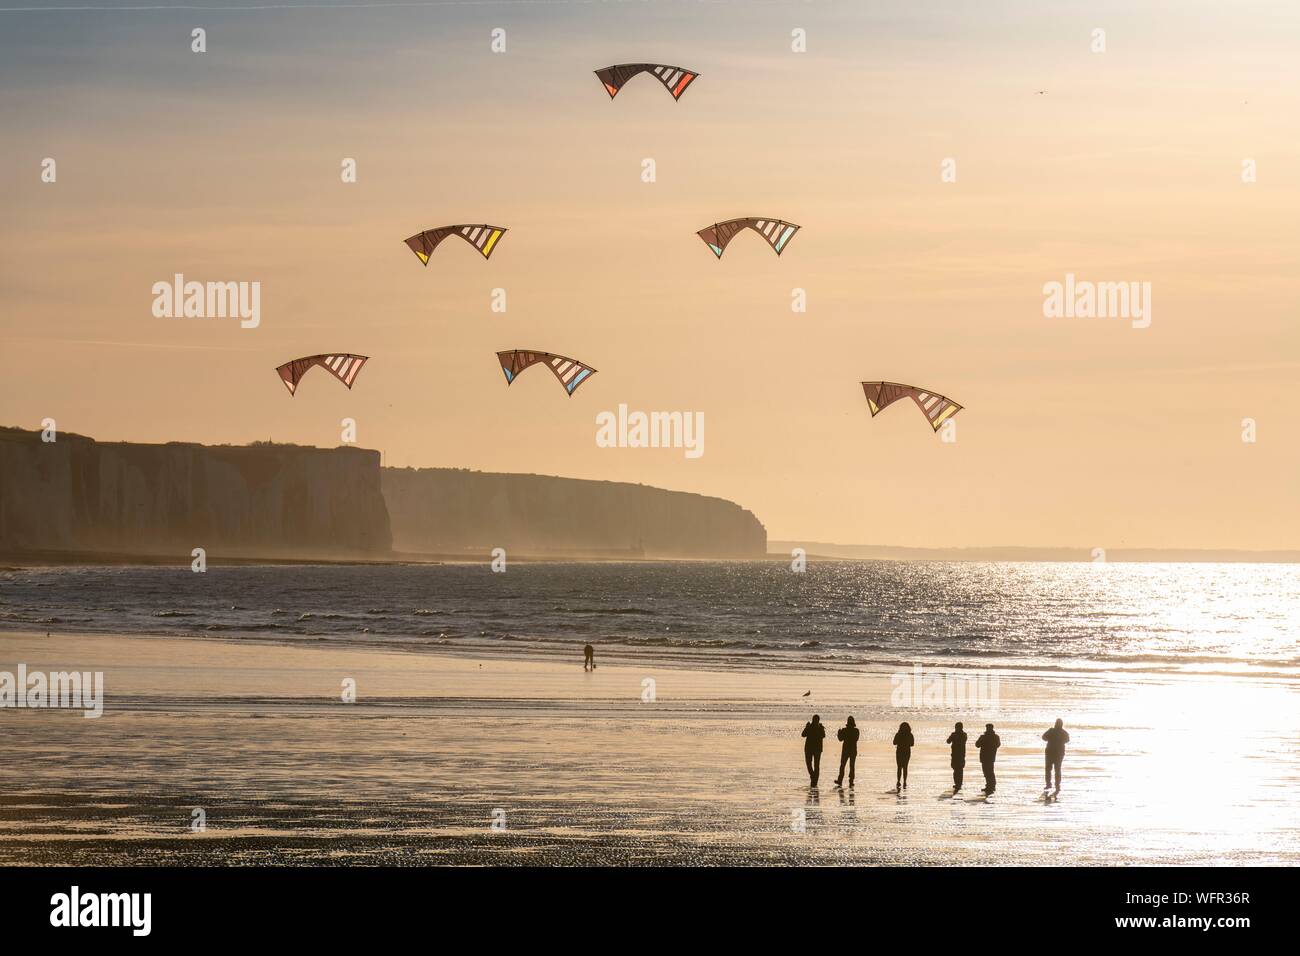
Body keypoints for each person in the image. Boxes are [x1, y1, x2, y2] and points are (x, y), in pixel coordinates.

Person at [1042, 718, 1070, 792]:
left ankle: (1049, 784)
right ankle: (1057, 785)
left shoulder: (1051, 731)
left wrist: (1050, 738)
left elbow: (1044, 737)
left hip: (1050, 752)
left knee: (1048, 769)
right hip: (1058, 753)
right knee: (1057, 769)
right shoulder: (1063, 732)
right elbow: (1067, 740)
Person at [801, 714, 826, 787]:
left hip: (815, 749)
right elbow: (803, 735)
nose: (815, 721)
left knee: (815, 765)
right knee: (810, 764)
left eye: (816, 720)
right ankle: (813, 777)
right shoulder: (811, 727)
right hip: (810, 749)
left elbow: (823, 735)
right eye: (815, 720)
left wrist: (821, 728)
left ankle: (814, 780)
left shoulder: (819, 727)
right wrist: (807, 727)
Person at [834, 716, 859, 788]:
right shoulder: (856, 730)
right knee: (851, 766)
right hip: (853, 750)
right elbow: (856, 739)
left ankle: (840, 780)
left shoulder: (845, 730)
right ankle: (851, 781)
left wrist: (839, 733)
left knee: (843, 765)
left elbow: (840, 739)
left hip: (846, 750)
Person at [975, 723, 1000, 794]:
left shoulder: (985, 737)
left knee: (988, 772)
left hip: (986, 757)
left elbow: (977, 744)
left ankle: (991, 786)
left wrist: (984, 739)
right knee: (988, 772)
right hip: (989, 757)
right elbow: (977, 745)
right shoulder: (995, 737)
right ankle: (990, 786)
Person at [892, 721, 915, 791]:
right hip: (907, 752)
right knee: (905, 767)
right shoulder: (910, 734)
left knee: (899, 767)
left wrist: (900, 742)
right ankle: (904, 781)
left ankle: (899, 781)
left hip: (899, 751)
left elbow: (894, 742)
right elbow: (912, 744)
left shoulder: (898, 734)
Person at [946, 721, 968, 794]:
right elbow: (948, 741)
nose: (956, 729)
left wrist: (955, 736)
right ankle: (957, 783)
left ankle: (959, 784)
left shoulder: (963, 735)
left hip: (960, 754)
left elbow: (962, 740)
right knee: (955, 769)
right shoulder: (954, 734)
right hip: (955, 754)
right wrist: (953, 737)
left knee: (959, 769)